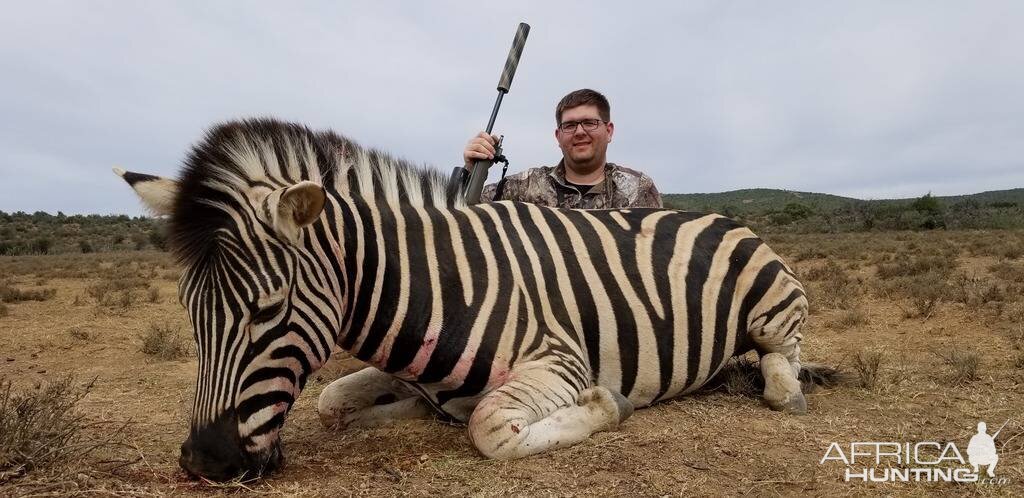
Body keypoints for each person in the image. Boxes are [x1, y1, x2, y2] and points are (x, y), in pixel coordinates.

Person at [462, 88, 662, 209]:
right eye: (570, 125)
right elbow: (462, 213)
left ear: (609, 131)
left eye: (590, 122)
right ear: (558, 136)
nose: (580, 132)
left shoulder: (638, 188)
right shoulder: (524, 187)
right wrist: (470, 171)